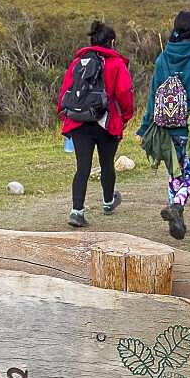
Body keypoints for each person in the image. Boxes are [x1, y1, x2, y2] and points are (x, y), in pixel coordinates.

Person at [135, 10, 190, 239]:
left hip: (166, 128)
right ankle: (176, 206)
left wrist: (144, 127)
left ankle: (177, 221)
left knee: (175, 175)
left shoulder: (162, 58)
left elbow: (154, 97)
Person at [58, 21, 134, 228]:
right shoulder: (116, 64)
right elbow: (125, 94)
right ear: (112, 42)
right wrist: (125, 117)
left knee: (82, 166)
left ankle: (77, 211)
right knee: (107, 163)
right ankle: (108, 203)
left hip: (79, 121)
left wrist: (66, 117)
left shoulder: (78, 63)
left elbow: (65, 91)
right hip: (106, 122)